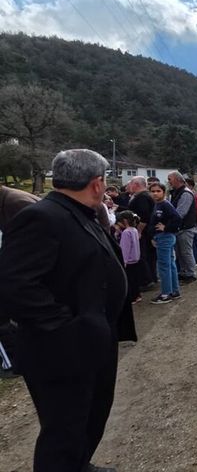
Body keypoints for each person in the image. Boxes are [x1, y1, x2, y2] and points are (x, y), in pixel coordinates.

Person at [0, 148, 136, 472]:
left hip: (89, 341)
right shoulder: (41, 216)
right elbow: (14, 284)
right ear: (97, 183)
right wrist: (68, 325)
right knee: (63, 429)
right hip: (62, 348)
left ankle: (79, 464)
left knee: (90, 416)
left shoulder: (78, 211)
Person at [0, 185, 39, 378]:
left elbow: (35, 245)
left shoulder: (16, 203)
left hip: (32, 278)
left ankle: (16, 362)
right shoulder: (10, 201)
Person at [148, 182, 182, 303]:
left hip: (165, 237)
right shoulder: (158, 204)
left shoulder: (165, 205)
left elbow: (177, 219)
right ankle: (174, 291)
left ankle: (166, 294)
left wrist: (166, 227)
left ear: (164, 192)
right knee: (170, 265)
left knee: (164, 266)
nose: (155, 193)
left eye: (158, 191)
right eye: (153, 191)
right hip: (162, 237)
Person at [167, 171, 197, 282]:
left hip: (186, 228)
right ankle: (184, 272)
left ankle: (191, 273)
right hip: (180, 227)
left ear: (176, 179)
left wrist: (168, 220)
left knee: (186, 251)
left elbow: (181, 212)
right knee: (180, 252)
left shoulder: (185, 193)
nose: (168, 181)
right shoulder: (176, 192)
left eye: (170, 179)